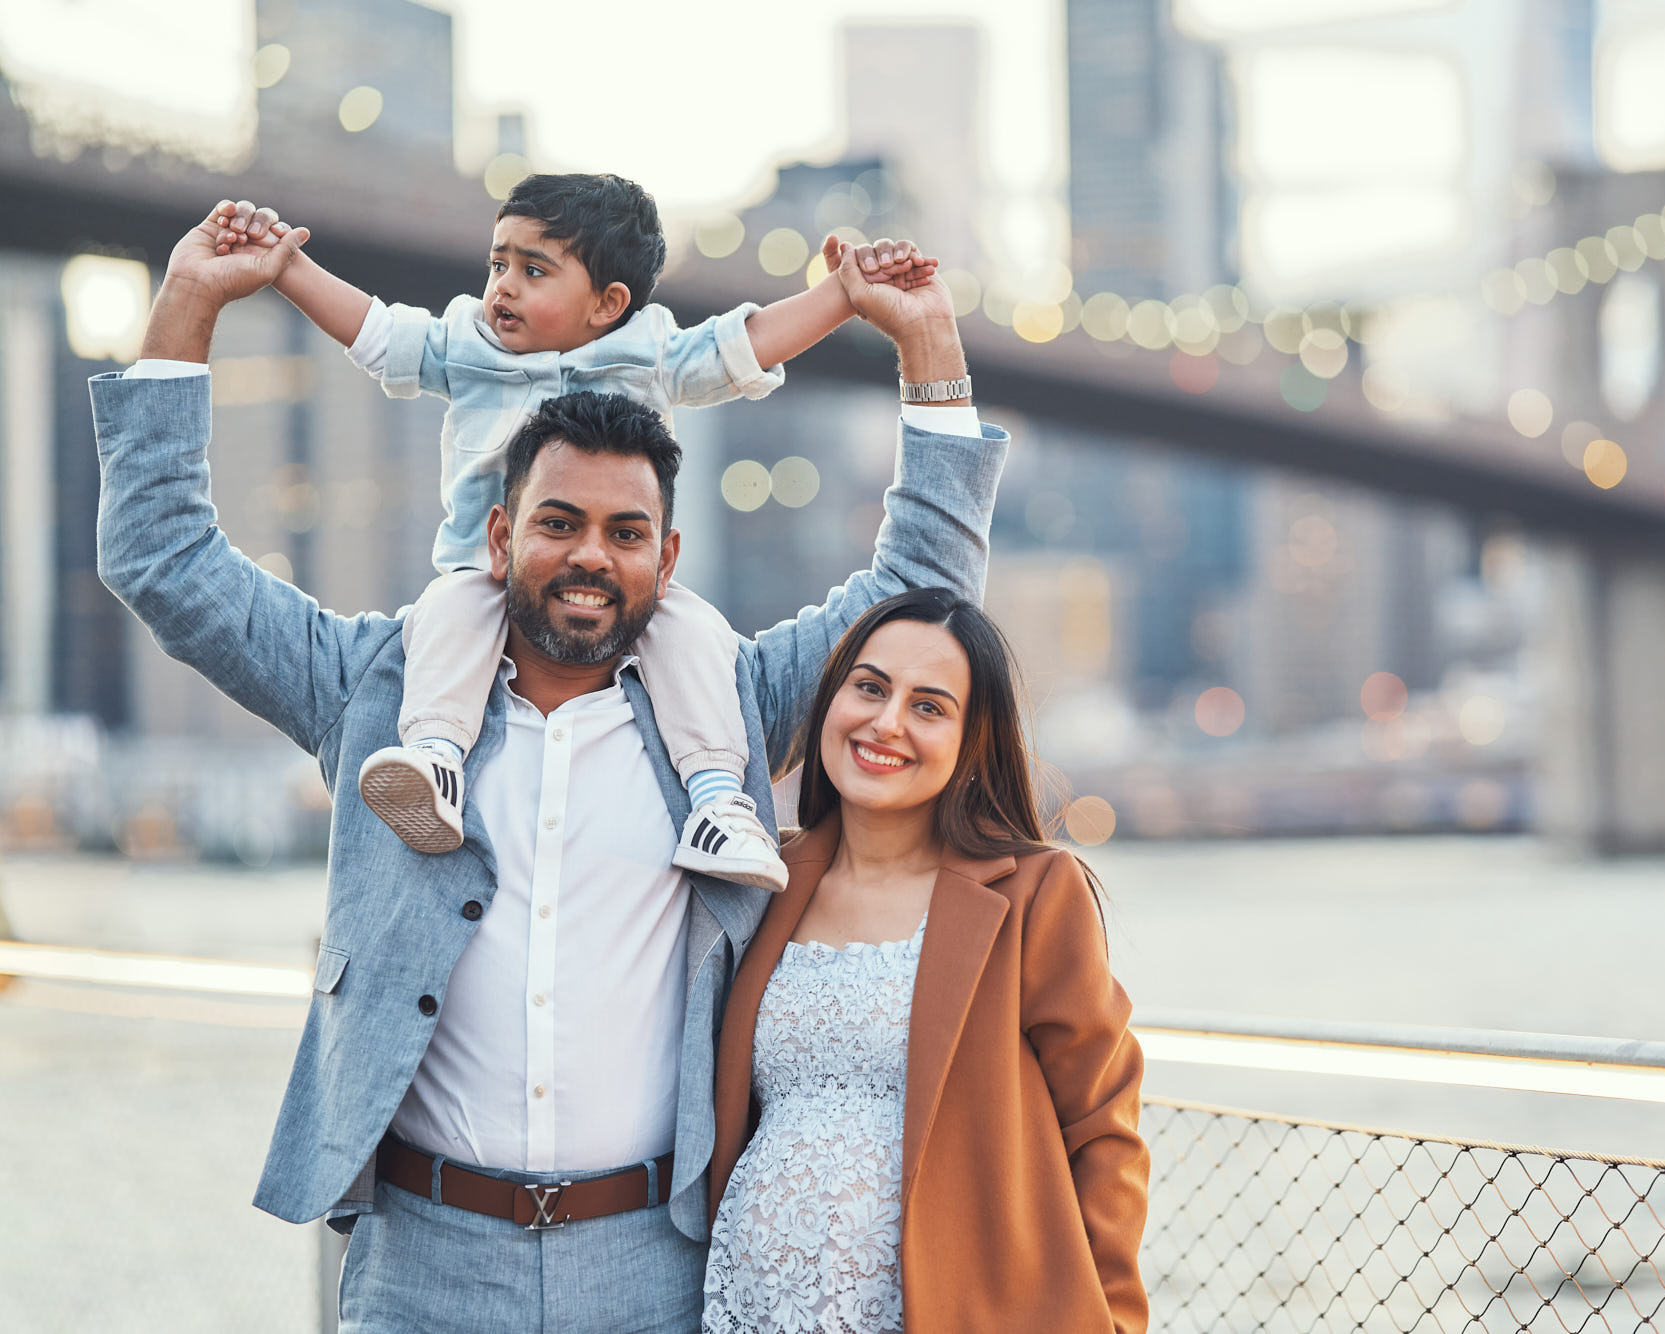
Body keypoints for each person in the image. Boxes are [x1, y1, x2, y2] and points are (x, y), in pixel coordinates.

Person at [92, 204, 1004, 1333]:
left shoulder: (729, 701)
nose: (589, 555)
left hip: (652, 1267)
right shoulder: (375, 688)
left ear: (666, 559)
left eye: (625, 532)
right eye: (557, 522)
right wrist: (187, 301)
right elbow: (163, 557)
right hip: (420, 1265)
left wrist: (925, 341)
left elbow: (923, 581)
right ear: (494, 537)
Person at [213, 174, 931, 890]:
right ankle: (435, 761)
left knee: (698, 638)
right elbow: (375, 332)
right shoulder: (465, 346)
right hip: (481, 572)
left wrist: (842, 294)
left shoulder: (647, 351)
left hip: (620, 594)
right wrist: (289, 267)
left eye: (533, 270)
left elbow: (744, 347)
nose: (504, 287)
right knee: (442, 620)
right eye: (498, 263)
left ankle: (719, 802)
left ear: (608, 304)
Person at [704, 589, 1150, 1334]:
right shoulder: (766, 881)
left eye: (929, 706)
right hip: (750, 1310)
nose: (887, 722)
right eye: (870, 688)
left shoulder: (1035, 894)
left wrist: (1112, 1322)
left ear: (973, 741)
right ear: (832, 701)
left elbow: (1105, 1129)